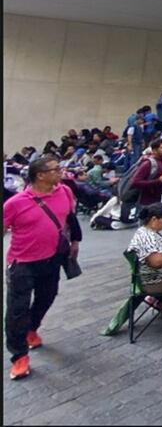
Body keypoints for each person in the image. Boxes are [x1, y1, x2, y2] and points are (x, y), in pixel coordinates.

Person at [4, 157, 82, 380]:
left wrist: (74, 241)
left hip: (52, 258)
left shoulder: (64, 192)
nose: (61, 171)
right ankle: (19, 356)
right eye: (56, 169)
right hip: (22, 263)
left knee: (47, 296)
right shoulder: (15, 203)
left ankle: (31, 329)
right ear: (40, 175)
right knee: (17, 308)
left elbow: (69, 218)